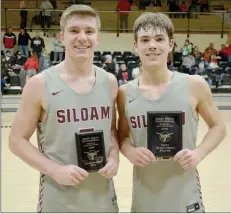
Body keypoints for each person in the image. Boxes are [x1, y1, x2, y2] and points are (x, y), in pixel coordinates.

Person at [9, 4, 119, 213]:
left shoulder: (110, 82)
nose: (82, 37)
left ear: (98, 38)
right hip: (58, 200)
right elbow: (16, 140)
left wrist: (114, 156)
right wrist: (55, 170)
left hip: (103, 198)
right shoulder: (39, 84)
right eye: (74, 31)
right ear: (61, 37)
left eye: (89, 31)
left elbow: (111, 131)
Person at [117, 12, 227, 212]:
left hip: (186, 194)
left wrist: (198, 153)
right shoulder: (125, 93)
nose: (152, 45)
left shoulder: (194, 85)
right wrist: (130, 151)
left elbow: (218, 126)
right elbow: (122, 136)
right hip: (145, 196)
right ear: (135, 46)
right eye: (145, 40)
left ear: (171, 44)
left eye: (159, 39)